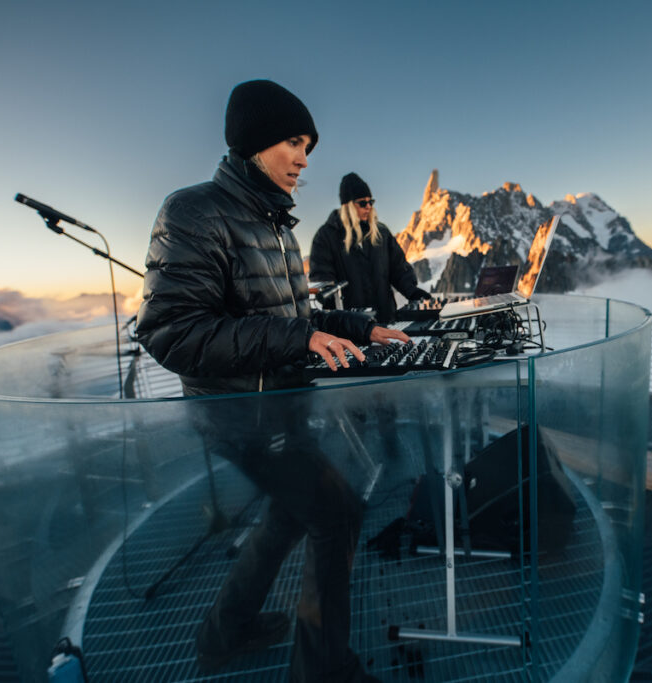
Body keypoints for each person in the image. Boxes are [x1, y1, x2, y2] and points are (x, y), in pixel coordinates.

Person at [135, 79, 406, 682]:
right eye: (293, 141)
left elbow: (293, 319)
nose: (305, 158)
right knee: (337, 515)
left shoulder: (275, 224)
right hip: (238, 415)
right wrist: (295, 337)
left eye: (308, 143)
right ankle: (322, 672)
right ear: (255, 144)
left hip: (279, 409)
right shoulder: (192, 211)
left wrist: (358, 327)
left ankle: (222, 636)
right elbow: (171, 333)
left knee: (291, 514)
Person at [309, 172, 429, 323]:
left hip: (385, 319)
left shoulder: (381, 233)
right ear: (348, 205)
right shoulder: (326, 236)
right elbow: (323, 281)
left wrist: (413, 292)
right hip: (350, 326)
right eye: (362, 203)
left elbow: (398, 268)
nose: (369, 207)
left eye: (371, 202)